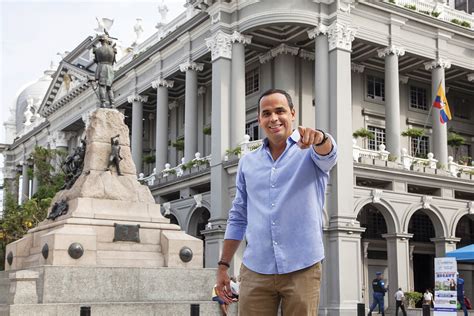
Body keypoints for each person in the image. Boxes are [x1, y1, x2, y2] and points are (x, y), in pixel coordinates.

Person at [215, 89, 337, 316]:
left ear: (292, 113)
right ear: (260, 120)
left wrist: (320, 137)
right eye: (266, 113)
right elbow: (239, 215)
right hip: (255, 268)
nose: (273, 118)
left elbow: (329, 153)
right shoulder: (248, 162)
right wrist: (223, 265)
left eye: (280, 111)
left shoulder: (310, 151)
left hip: (302, 266)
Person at [93, 34, 117, 108]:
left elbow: (96, 60)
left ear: (101, 41)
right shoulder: (112, 50)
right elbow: (113, 61)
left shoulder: (98, 50)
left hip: (102, 67)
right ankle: (112, 104)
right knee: (109, 87)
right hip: (110, 68)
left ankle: (103, 102)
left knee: (102, 86)